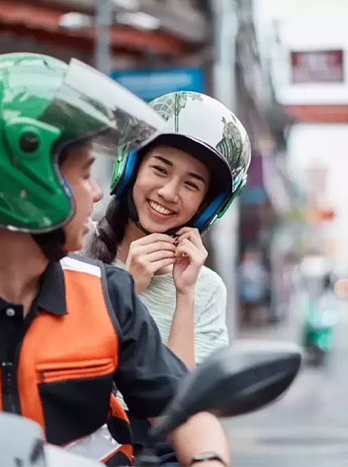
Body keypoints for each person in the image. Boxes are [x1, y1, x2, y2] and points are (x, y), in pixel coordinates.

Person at [0, 53, 230, 467]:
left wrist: (209, 460)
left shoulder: (107, 294)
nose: (98, 193)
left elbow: (183, 409)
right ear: (26, 183)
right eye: (84, 174)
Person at [83, 90, 251, 460]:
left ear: (206, 207)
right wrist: (126, 291)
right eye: (160, 169)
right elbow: (69, 380)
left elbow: (184, 406)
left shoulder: (205, 288)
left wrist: (185, 294)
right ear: (131, 169)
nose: (169, 192)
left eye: (191, 184)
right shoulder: (76, 254)